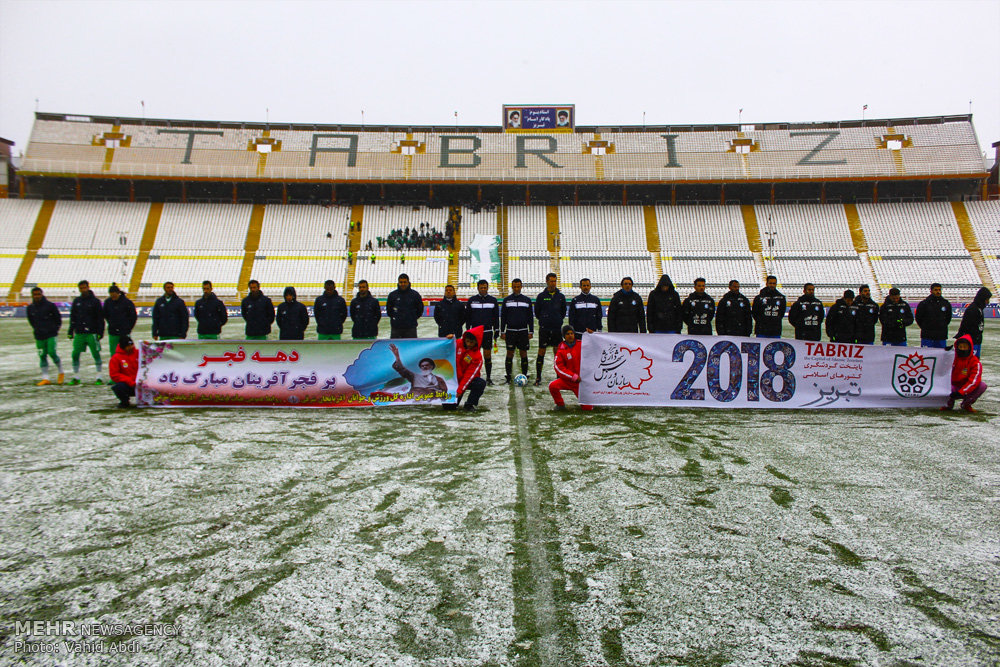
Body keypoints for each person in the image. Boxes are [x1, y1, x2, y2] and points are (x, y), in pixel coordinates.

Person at [68, 279, 105, 385]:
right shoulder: (77, 301)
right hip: (79, 332)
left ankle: (99, 376)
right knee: (75, 354)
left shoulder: (95, 302)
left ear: (88, 287)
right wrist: (71, 330)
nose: (83, 290)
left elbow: (100, 318)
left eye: (84, 287)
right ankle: (76, 376)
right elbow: (73, 317)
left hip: (92, 332)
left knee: (96, 354)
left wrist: (100, 332)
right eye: (81, 288)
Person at [534, 273, 567, 386]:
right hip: (544, 328)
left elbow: (563, 312)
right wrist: (544, 320)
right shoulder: (541, 296)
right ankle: (538, 377)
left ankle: (559, 376)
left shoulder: (561, 296)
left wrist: (557, 320)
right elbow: (537, 312)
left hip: (557, 328)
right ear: (547, 281)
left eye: (554, 281)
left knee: (557, 353)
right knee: (541, 351)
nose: (553, 283)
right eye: (551, 281)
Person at [549, 325, 593, 411]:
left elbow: (595, 345)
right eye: (567, 334)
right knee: (552, 386)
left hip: (581, 382)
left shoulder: (581, 344)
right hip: (569, 380)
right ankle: (560, 405)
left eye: (572, 333)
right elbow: (558, 367)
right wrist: (573, 376)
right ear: (564, 336)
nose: (570, 335)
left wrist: (592, 335)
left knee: (588, 408)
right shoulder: (561, 349)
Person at [27, 287, 64, 386]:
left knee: (52, 353)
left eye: (38, 294)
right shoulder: (30, 308)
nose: (37, 296)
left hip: (51, 334)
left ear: (42, 294)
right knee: (42, 356)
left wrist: (54, 329)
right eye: (35, 294)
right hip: (39, 336)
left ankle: (61, 372)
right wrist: (38, 329)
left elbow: (58, 319)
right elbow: (31, 321)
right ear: (32, 296)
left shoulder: (50, 306)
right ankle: (45, 378)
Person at [445, 326, 487, 412]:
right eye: (467, 341)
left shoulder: (477, 357)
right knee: (448, 408)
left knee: (480, 383)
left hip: (466, 381)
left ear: (477, 342)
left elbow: (469, 375)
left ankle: (469, 404)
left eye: (471, 342)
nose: (469, 344)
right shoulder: (457, 343)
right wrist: (449, 339)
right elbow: (444, 347)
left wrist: (460, 390)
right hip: (453, 379)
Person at [466, 279, 500, 384]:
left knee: (487, 355)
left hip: (488, 332)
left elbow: (495, 317)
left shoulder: (493, 300)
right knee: (472, 356)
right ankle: (471, 376)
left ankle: (488, 378)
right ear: (478, 288)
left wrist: (497, 329)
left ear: (487, 288)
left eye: (485, 287)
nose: (483, 289)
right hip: (475, 333)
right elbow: (468, 316)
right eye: (481, 288)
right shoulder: (471, 300)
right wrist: (468, 330)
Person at [501, 278, 534, 383]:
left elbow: (530, 317)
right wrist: (502, 331)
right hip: (510, 331)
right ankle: (508, 376)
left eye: (518, 286)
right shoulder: (507, 300)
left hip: (523, 331)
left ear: (521, 287)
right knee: (509, 353)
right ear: (512, 287)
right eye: (514, 286)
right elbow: (503, 317)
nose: (516, 288)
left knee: (523, 353)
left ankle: (524, 375)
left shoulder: (527, 300)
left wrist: (531, 331)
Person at [942, 335, 987, 413]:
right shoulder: (951, 357)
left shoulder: (975, 362)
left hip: (966, 388)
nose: (962, 349)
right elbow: (939, 366)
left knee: (982, 386)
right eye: (960, 347)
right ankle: (947, 404)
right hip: (952, 386)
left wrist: (962, 392)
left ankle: (966, 404)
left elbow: (974, 381)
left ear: (969, 348)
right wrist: (944, 353)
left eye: (965, 347)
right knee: (944, 386)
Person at [954, 287, 991, 357]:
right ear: (983, 298)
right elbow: (965, 326)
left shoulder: (979, 308)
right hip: (971, 341)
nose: (988, 302)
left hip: (976, 340)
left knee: (975, 361)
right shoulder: (973, 309)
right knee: (971, 362)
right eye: (987, 299)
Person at [386, 273, 423, 339]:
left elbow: (420, 310)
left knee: (411, 348)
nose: (403, 284)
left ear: (408, 282)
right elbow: (389, 311)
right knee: (396, 348)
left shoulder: (415, 295)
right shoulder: (392, 295)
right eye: (401, 282)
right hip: (396, 328)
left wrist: (412, 318)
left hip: (410, 328)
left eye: (405, 282)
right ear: (398, 282)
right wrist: (396, 319)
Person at [915, 283, 952, 349]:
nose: (938, 292)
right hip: (927, 336)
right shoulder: (924, 303)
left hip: (941, 336)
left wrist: (941, 325)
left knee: (941, 355)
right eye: (936, 290)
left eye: (939, 290)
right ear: (931, 291)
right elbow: (918, 318)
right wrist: (926, 327)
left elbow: (948, 318)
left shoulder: (946, 303)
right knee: (926, 356)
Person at [103, 284, 137, 354]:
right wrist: (111, 323)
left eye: (114, 295)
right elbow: (105, 315)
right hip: (113, 332)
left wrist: (128, 327)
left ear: (118, 293)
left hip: (125, 332)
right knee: (114, 352)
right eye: (111, 295)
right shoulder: (107, 302)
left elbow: (133, 317)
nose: (113, 297)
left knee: (127, 351)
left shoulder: (127, 302)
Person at [108, 335, 138, 408]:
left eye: (132, 345)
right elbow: (114, 375)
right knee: (118, 387)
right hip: (130, 384)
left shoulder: (139, 353)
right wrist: (130, 381)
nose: (131, 347)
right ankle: (124, 401)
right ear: (123, 346)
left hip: (143, 383)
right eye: (128, 346)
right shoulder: (115, 358)